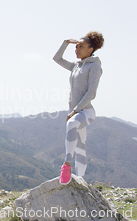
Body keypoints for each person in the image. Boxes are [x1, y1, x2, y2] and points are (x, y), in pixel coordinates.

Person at [52, 31, 104, 184]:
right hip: (75, 111)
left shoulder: (94, 67)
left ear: (91, 49)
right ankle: (80, 180)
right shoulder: (76, 66)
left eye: (81, 46)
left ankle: (66, 165)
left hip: (86, 111)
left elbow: (91, 93)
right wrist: (66, 43)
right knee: (80, 147)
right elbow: (57, 59)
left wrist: (75, 110)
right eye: (77, 47)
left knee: (72, 123)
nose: (77, 49)